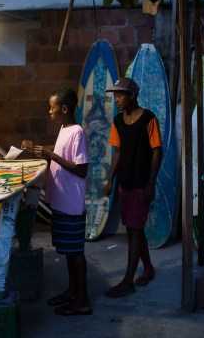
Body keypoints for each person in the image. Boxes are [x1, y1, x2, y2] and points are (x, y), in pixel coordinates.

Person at [22, 87, 92, 316]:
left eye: (52, 107)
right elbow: (61, 151)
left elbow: (81, 168)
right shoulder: (65, 128)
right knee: (69, 252)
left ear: (64, 109)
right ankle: (73, 291)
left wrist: (51, 156)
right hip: (62, 201)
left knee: (76, 253)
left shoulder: (78, 132)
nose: (49, 111)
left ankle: (83, 301)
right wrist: (40, 149)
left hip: (72, 203)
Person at [103, 77, 162, 298]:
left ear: (132, 95)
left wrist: (151, 183)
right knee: (132, 228)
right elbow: (117, 152)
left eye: (119, 95)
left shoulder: (149, 118)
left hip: (141, 183)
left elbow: (157, 151)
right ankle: (147, 268)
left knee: (135, 229)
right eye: (114, 95)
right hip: (125, 183)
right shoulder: (118, 121)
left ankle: (128, 280)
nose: (116, 99)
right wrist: (111, 180)